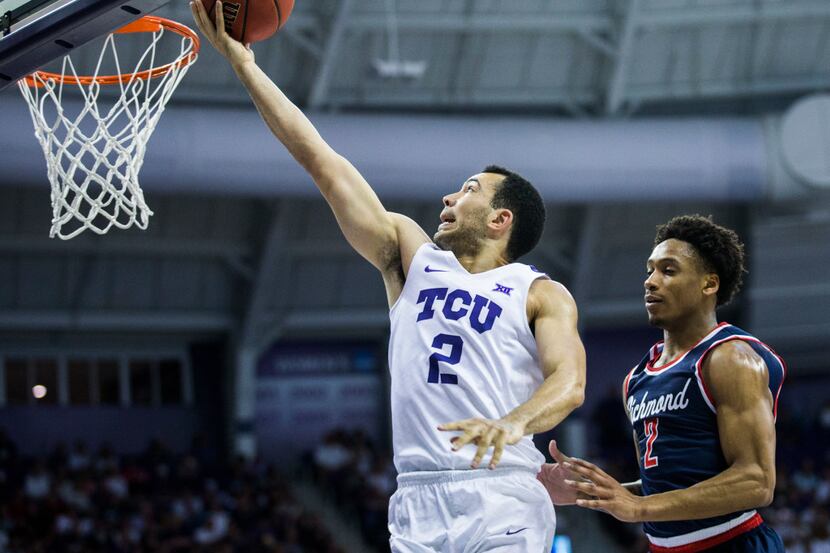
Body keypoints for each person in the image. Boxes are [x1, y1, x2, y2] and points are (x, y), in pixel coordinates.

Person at [189, 3, 587, 551]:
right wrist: (246, 66)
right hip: (416, 499)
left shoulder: (540, 293)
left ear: (502, 220)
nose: (450, 196)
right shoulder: (412, 257)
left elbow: (568, 383)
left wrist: (513, 425)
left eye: (469, 188)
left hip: (501, 493)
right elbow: (322, 163)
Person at [538, 215, 786, 552]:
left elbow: (757, 481)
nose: (651, 282)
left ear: (708, 284)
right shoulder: (637, 378)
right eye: (649, 270)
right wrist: (592, 494)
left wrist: (638, 508)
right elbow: (663, 487)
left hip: (732, 542)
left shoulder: (729, 358)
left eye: (668, 270)